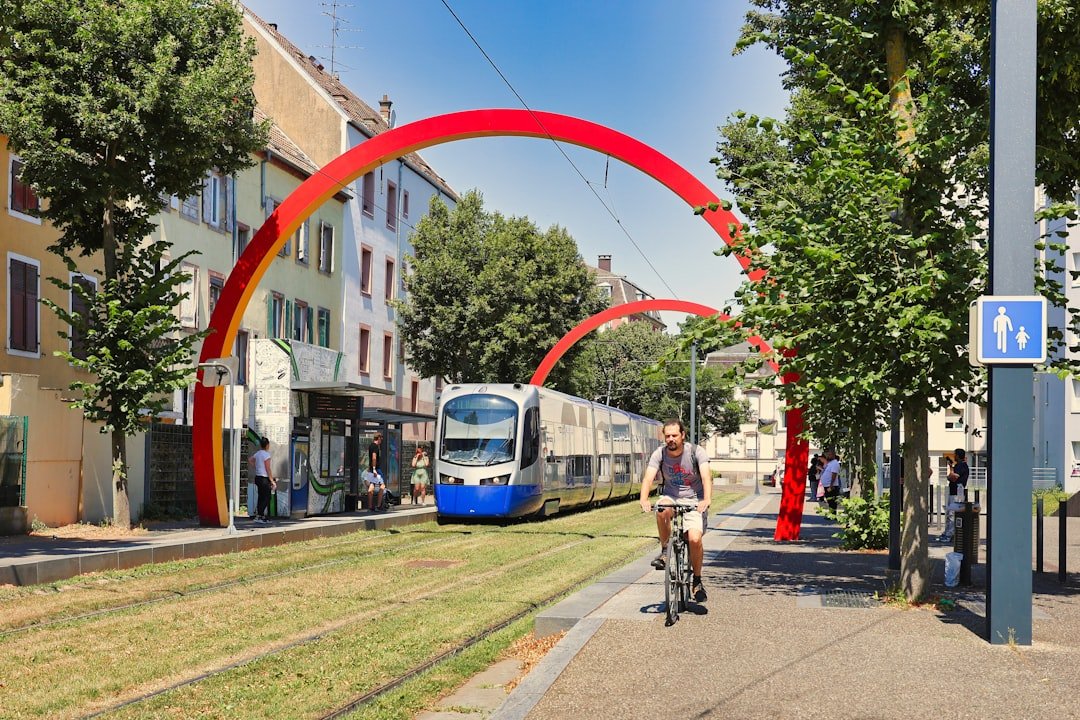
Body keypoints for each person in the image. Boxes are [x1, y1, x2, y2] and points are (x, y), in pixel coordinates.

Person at [639, 419, 712, 603]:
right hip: (671, 495)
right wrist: (644, 498)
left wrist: (706, 499)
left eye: (674, 435)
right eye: (667, 436)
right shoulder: (660, 453)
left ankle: (696, 581)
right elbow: (648, 477)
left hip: (694, 499)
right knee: (662, 508)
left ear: (683, 435)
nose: (670, 439)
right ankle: (665, 550)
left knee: (694, 538)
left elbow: (706, 477)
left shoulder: (696, 452)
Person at [939, 448, 969, 542]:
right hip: (954, 492)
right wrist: (951, 467)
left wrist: (950, 473)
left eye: (955, 455)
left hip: (957, 493)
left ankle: (949, 534)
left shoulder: (961, 466)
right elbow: (951, 476)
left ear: (958, 456)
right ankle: (947, 532)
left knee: (952, 514)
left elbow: (953, 477)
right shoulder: (958, 465)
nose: (954, 456)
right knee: (949, 513)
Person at [249, 436, 276, 524]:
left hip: (258, 477)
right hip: (264, 478)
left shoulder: (258, 453)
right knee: (267, 497)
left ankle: (259, 515)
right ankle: (260, 515)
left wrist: (256, 466)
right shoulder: (266, 455)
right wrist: (272, 480)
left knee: (261, 496)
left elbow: (250, 460)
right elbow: (268, 469)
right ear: (267, 445)